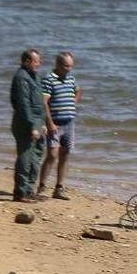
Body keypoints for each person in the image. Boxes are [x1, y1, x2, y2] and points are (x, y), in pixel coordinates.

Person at [39, 51, 82, 200]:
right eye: (66, 66)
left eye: (71, 66)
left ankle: (59, 188)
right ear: (57, 65)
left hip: (69, 122)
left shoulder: (71, 78)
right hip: (55, 123)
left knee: (65, 154)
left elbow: (78, 91)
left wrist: (72, 104)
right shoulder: (48, 80)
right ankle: (42, 186)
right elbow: (43, 102)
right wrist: (49, 123)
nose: (69, 69)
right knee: (52, 154)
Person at [10, 49, 46, 202]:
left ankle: (30, 190)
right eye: (36, 61)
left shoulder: (34, 76)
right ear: (26, 62)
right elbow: (23, 104)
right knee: (25, 158)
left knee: (36, 157)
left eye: (39, 61)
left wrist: (42, 123)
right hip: (25, 123)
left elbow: (39, 102)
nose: (39, 64)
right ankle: (21, 192)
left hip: (37, 121)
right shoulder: (21, 77)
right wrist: (32, 125)